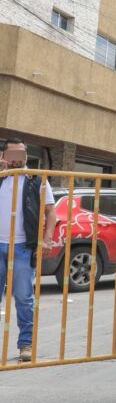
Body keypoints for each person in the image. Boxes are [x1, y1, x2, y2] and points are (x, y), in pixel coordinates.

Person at [0, 138, 56, 363]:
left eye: (21, 154)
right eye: (12, 154)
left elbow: (51, 212)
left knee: (23, 298)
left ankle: (26, 344)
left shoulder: (37, 180)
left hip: (24, 246)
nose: (17, 159)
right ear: (4, 155)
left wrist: (47, 238)